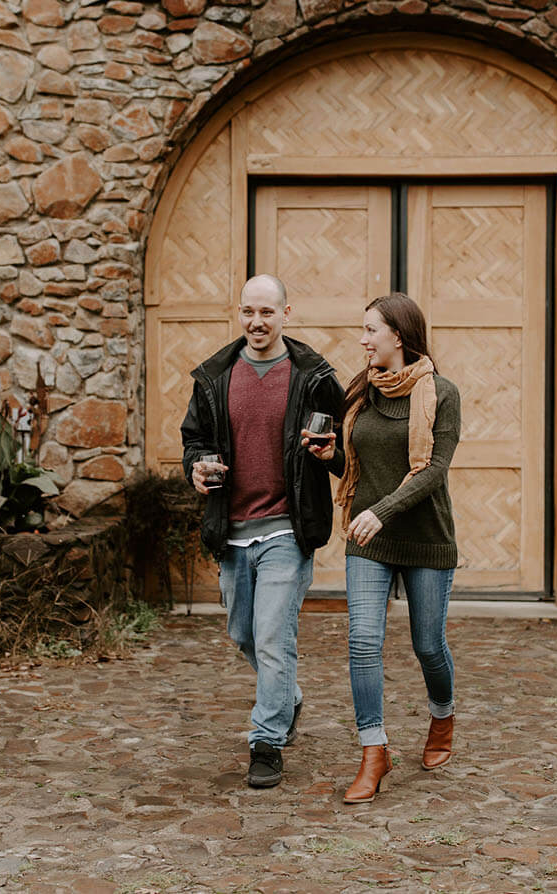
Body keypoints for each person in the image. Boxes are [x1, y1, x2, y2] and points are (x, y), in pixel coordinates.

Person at [181, 274, 345, 789]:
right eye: (249, 312)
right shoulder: (214, 375)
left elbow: (346, 449)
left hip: (287, 531)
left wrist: (331, 453)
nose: (257, 322)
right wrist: (196, 468)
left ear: (286, 313)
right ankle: (287, 697)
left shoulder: (313, 376)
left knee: (273, 637)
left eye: (267, 313)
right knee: (243, 632)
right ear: (239, 313)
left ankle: (266, 741)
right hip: (232, 528)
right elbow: (195, 442)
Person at [303, 292, 460, 803]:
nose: (363, 339)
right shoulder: (361, 393)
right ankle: (375, 750)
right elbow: (359, 469)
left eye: (371, 330)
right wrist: (332, 458)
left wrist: (381, 511)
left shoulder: (442, 393)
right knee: (363, 642)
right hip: (367, 538)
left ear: (398, 335)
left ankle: (442, 715)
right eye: (364, 330)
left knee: (427, 645)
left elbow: (432, 471)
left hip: (423, 537)